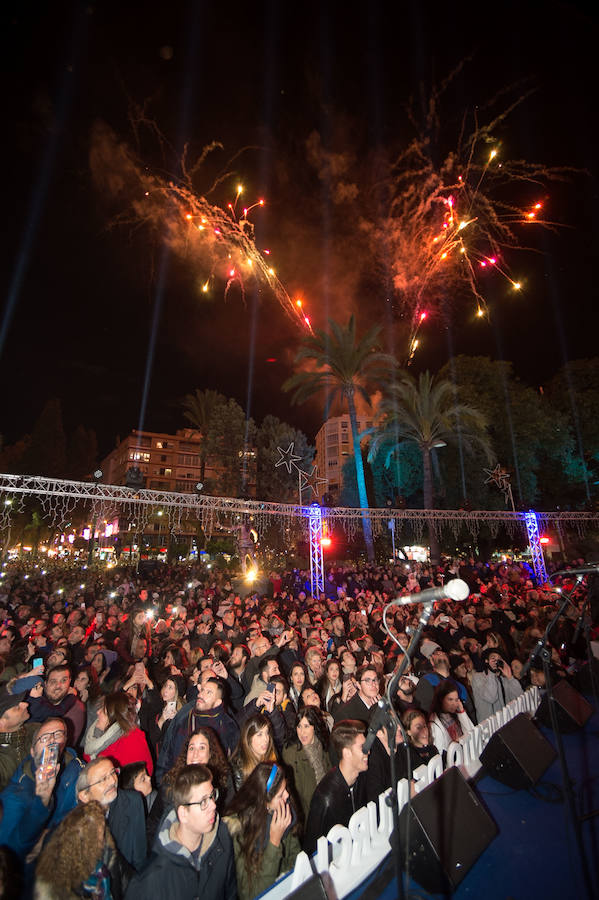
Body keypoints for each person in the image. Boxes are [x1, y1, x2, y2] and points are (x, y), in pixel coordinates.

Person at [125, 764, 237, 900]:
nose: (213, 805)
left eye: (212, 796)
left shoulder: (222, 836)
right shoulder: (151, 881)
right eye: (203, 802)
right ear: (183, 814)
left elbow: (231, 892)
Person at [0, 717, 84, 858]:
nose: (52, 741)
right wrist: (42, 802)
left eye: (58, 734)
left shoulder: (78, 769)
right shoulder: (16, 793)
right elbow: (9, 851)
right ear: (32, 751)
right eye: (44, 738)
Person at [223, 762, 300, 900]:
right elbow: (252, 894)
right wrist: (274, 842)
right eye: (281, 795)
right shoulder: (241, 832)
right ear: (264, 802)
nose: (287, 795)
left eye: (285, 788)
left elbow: (295, 859)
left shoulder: (284, 811)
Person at [34, 800, 127, 900]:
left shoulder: (104, 863)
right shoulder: (52, 884)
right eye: (96, 837)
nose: (103, 840)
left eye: (103, 831)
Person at [303, 719, 369, 855]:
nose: (368, 752)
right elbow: (312, 850)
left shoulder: (361, 779)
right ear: (347, 753)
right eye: (362, 747)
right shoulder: (325, 798)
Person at [157, 678, 240, 781]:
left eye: (208, 692)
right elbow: (167, 757)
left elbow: (235, 764)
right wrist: (165, 786)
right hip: (182, 786)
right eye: (202, 690)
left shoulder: (228, 726)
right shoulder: (185, 719)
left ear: (218, 703)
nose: (201, 695)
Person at [77, 757, 147, 873]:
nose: (112, 781)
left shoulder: (132, 801)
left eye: (113, 772)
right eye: (103, 779)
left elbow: (139, 858)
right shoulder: (76, 824)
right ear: (85, 795)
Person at [84, 691, 153, 776]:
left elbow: (137, 779)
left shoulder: (133, 740)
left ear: (113, 718)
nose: (98, 712)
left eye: (103, 711)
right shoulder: (97, 732)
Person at [282, 705, 331, 821]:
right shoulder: (291, 753)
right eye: (299, 726)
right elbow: (297, 794)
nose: (302, 732)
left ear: (314, 727)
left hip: (327, 804)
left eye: (306, 726)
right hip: (308, 815)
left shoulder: (321, 745)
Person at [27, 664, 86, 747]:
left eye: (63, 681)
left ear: (70, 682)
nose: (58, 686)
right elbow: (56, 711)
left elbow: (65, 746)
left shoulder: (76, 708)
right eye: (53, 681)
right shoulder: (36, 700)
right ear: (45, 684)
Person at [471, 649, 523, 722]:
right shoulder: (478, 677)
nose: (496, 661)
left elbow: (519, 696)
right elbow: (491, 698)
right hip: (489, 726)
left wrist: (510, 678)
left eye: (499, 659)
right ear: (486, 661)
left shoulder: (503, 679)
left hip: (506, 721)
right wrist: (492, 672)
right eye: (493, 658)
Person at [0, 690, 37, 789]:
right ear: (1, 723)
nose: (25, 704)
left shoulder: (36, 730)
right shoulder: (2, 762)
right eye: (17, 707)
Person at [428, 681, 475, 754]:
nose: (454, 704)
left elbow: (471, 733)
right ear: (441, 699)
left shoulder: (455, 714)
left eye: (456, 700)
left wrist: (462, 712)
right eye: (450, 699)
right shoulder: (435, 721)